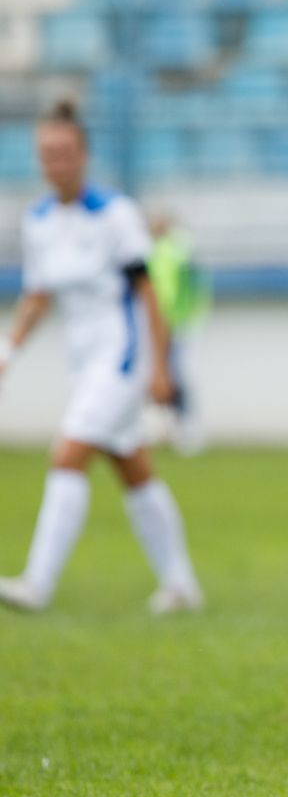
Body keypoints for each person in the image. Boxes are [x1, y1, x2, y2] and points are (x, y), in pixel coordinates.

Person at [0, 101, 204, 615]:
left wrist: (159, 366)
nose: (57, 162)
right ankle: (182, 585)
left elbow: (147, 292)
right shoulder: (39, 221)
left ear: (84, 155)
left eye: (65, 152)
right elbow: (38, 297)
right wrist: (8, 348)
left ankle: (37, 584)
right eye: (48, 153)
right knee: (131, 464)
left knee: (67, 454)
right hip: (84, 363)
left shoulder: (117, 214)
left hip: (122, 360)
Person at [147, 214, 210, 455]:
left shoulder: (176, 249)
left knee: (180, 373)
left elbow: (180, 288)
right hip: (168, 321)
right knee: (166, 374)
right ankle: (168, 427)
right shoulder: (160, 251)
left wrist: (177, 319)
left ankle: (188, 430)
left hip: (180, 323)